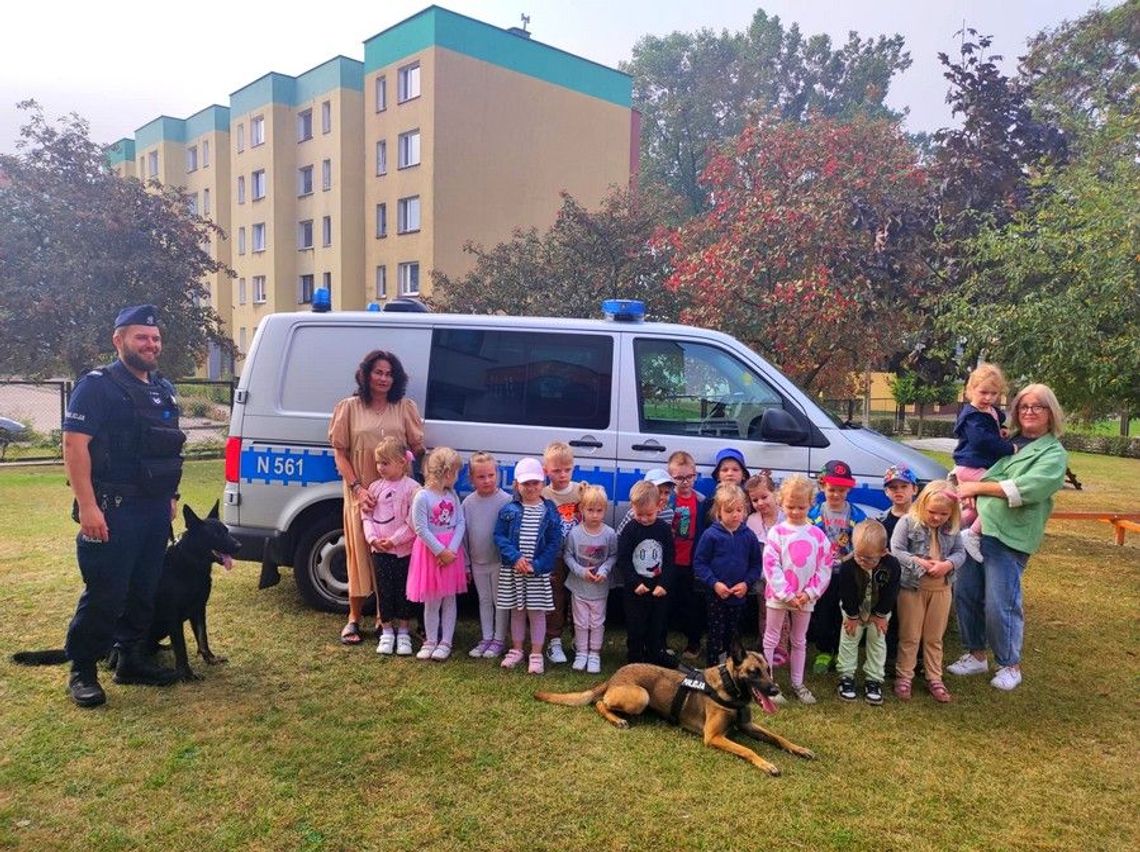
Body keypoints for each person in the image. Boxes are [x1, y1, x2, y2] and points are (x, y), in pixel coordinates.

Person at [61, 304, 186, 707]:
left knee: (144, 589)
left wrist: (169, 497)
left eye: (155, 338)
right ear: (119, 340)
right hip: (111, 508)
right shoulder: (98, 386)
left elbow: (165, 448)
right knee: (106, 592)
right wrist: (88, 505)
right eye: (141, 337)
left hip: (152, 509)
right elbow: (74, 445)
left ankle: (130, 658)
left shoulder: (162, 388)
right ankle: (82, 670)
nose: (151, 344)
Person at [949, 384, 1068, 692]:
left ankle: (1009, 664)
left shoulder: (1053, 454)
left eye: (1037, 407)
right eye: (1024, 406)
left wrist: (977, 489)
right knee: (967, 593)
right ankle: (975, 654)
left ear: (1050, 413)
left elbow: (1026, 489)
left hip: (1009, 536)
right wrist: (961, 483)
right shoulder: (1006, 441)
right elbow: (968, 466)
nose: (1029, 411)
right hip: (976, 528)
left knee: (1001, 603)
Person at [329, 349, 425, 645]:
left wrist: (409, 477)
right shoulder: (350, 407)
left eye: (389, 373)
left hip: (398, 495)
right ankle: (354, 619)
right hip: (362, 493)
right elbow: (340, 452)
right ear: (367, 374)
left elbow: (418, 448)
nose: (384, 378)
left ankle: (396, 621)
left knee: (398, 557)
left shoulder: (404, 406)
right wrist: (358, 488)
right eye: (378, 372)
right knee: (359, 553)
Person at [891, 480, 964, 703]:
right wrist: (916, 561)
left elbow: (961, 552)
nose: (937, 518)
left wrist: (948, 564)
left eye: (943, 514)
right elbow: (896, 549)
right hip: (913, 588)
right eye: (932, 512)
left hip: (941, 588)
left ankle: (934, 676)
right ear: (923, 505)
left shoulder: (952, 528)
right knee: (910, 635)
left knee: (934, 637)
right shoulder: (907, 522)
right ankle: (904, 675)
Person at [762, 474, 832, 704]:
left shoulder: (817, 535)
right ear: (781, 502)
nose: (795, 511)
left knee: (799, 640)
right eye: (790, 506)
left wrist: (809, 593)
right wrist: (787, 594)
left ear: (811, 503)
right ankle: (767, 683)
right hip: (779, 596)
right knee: (771, 638)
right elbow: (771, 566)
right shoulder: (777, 533)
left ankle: (797, 682)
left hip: (804, 598)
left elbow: (824, 567)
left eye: (801, 507)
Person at [494, 458, 564, 674]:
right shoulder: (509, 510)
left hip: (536, 573)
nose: (531, 488)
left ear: (542, 483)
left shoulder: (549, 510)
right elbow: (499, 536)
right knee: (517, 610)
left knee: (536, 612)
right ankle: (516, 650)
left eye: (535, 483)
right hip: (514, 571)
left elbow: (554, 541)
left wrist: (538, 564)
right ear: (517, 485)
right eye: (526, 484)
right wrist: (515, 557)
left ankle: (536, 652)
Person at [806, 459, 867, 674]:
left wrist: (849, 557)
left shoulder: (857, 515)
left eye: (841, 490)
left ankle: (844, 651)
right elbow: (806, 542)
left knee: (847, 613)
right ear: (822, 486)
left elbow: (863, 542)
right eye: (832, 490)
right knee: (823, 613)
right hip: (821, 574)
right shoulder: (813, 515)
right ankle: (824, 650)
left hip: (848, 572)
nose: (836, 495)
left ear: (848, 490)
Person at [407, 447, 467, 661]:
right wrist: (440, 551)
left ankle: (446, 641)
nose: (457, 477)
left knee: (449, 598)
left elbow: (460, 522)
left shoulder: (451, 495)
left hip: (451, 551)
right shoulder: (422, 497)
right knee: (432, 600)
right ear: (448, 472)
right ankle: (431, 640)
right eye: (457, 472)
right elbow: (421, 528)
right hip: (431, 554)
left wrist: (451, 550)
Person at [361, 438, 420, 656]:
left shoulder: (413, 489)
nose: (380, 468)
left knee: (404, 591)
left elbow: (413, 521)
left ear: (401, 463)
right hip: (380, 551)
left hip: (405, 551)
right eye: (378, 463)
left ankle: (404, 631)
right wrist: (372, 538)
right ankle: (387, 631)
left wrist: (394, 540)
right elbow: (365, 515)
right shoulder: (374, 487)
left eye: (385, 463)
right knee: (384, 591)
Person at [693, 484, 762, 667]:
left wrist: (746, 584)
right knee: (716, 632)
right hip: (716, 595)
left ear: (745, 510)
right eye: (729, 510)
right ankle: (714, 667)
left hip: (739, 595)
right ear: (719, 512)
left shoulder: (749, 536)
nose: (735, 515)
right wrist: (714, 583)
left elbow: (756, 564)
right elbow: (700, 563)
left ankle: (732, 667)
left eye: (739, 510)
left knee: (734, 633)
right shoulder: (711, 535)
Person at [952, 363, 1015, 563]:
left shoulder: (990, 411)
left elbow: (996, 423)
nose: (988, 398)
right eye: (983, 392)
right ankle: (972, 535)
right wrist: (1009, 448)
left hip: (975, 466)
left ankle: (949, 529)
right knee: (997, 495)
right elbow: (983, 441)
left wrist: (1002, 429)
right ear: (970, 391)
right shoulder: (972, 416)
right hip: (970, 467)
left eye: (994, 393)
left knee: (973, 507)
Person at [834, 520, 901, 706]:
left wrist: (880, 615)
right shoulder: (848, 565)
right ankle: (846, 676)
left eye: (869, 559)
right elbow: (846, 592)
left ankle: (874, 679)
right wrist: (853, 616)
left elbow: (891, 592)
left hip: (879, 610)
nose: (863, 562)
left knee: (877, 639)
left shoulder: (892, 565)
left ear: (883, 552)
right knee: (849, 637)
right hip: (852, 608)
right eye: (859, 556)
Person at [540, 441, 588, 665]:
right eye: (556, 470)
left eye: (567, 469)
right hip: (555, 555)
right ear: (546, 469)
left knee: (578, 596)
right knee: (556, 596)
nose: (562, 474)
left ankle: (579, 638)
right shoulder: (543, 493)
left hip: (578, 554)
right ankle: (554, 640)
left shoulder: (580, 490)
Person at [617, 480, 675, 666]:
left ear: (659, 507)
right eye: (638, 514)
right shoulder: (630, 529)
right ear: (632, 508)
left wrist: (663, 584)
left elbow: (669, 559)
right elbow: (623, 559)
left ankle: (654, 655)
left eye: (648, 514)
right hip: (636, 589)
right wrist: (634, 583)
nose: (643, 518)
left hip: (658, 588)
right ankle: (634, 658)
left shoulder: (664, 529)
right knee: (636, 626)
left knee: (656, 625)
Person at [461, 452, 512, 659]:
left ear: (497, 475)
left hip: (498, 561)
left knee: (500, 600)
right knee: (484, 600)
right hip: (477, 562)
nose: (487, 480)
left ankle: (499, 639)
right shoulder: (468, 504)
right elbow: (463, 537)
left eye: (491, 475)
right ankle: (486, 637)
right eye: (481, 477)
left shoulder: (506, 500)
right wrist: (466, 565)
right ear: (471, 478)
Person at [562, 485, 618, 673]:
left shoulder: (609, 534)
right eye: (590, 510)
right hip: (579, 587)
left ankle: (594, 653)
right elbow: (568, 556)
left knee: (597, 622)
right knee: (580, 621)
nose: (594, 515)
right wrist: (580, 571)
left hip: (599, 588)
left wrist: (604, 570)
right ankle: (581, 652)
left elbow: (613, 556)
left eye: (599, 510)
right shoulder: (575, 533)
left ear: (605, 510)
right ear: (582, 510)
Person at [666, 451, 707, 661]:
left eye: (689, 477)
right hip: (670, 560)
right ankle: (660, 642)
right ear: (670, 477)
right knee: (666, 602)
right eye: (679, 478)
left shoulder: (700, 501)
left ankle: (693, 642)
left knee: (691, 603)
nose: (684, 482)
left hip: (691, 560)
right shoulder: (667, 500)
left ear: (695, 475)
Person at [880, 463, 919, 673]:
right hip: (891, 582)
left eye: (903, 486)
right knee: (892, 620)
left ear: (914, 489)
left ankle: (916, 659)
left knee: (914, 624)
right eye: (893, 487)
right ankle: (889, 657)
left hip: (916, 581)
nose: (898, 491)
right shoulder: (881, 521)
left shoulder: (924, 519)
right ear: (886, 491)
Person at [744, 470, 784, 663]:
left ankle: (782, 647)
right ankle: (765, 643)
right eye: (755, 500)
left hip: (784, 578)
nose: (760, 503)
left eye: (764, 497)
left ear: (775, 493)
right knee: (764, 610)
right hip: (762, 576)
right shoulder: (752, 521)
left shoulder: (785, 517)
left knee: (783, 613)